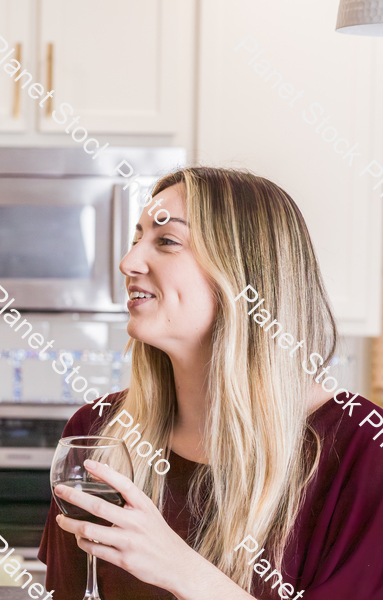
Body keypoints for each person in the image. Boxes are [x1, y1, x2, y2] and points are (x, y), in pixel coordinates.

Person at [38, 167, 383, 599]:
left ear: (245, 275)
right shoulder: (97, 432)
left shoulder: (361, 446)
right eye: (136, 238)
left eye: (166, 241)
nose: (128, 263)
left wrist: (182, 569)